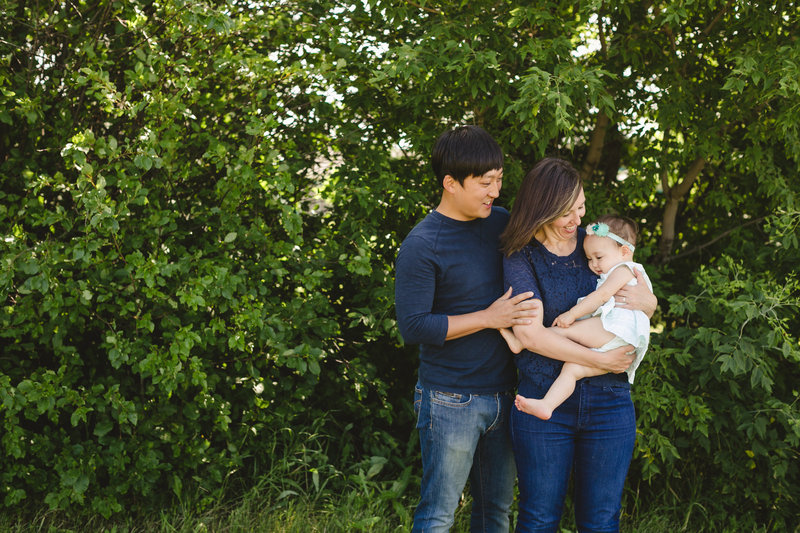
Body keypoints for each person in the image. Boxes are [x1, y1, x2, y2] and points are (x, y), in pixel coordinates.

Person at [394, 125, 538, 532]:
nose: (495, 191)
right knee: (438, 514)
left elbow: (559, 243)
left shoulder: (502, 224)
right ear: (451, 183)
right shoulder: (423, 244)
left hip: (507, 395)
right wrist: (488, 318)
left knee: (495, 513)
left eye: (499, 180)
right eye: (485, 182)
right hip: (449, 399)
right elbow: (414, 325)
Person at [500, 157, 657, 532]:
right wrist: (601, 359)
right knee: (538, 518)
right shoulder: (521, 255)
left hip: (609, 402)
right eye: (565, 211)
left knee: (601, 520)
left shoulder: (597, 244)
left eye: (582, 207)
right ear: (542, 208)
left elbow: (639, 296)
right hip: (544, 395)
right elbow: (531, 334)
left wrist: (649, 303)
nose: (577, 218)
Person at [501, 214, 652, 421]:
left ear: (625, 251)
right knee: (572, 370)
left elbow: (600, 296)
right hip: (620, 341)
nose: (594, 265)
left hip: (615, 330)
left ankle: (522, 340)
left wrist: (572, 314)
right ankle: (547, 405)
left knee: (569, 330)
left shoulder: (625, 270)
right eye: (589, 259)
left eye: (599, 257)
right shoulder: (620, 269)